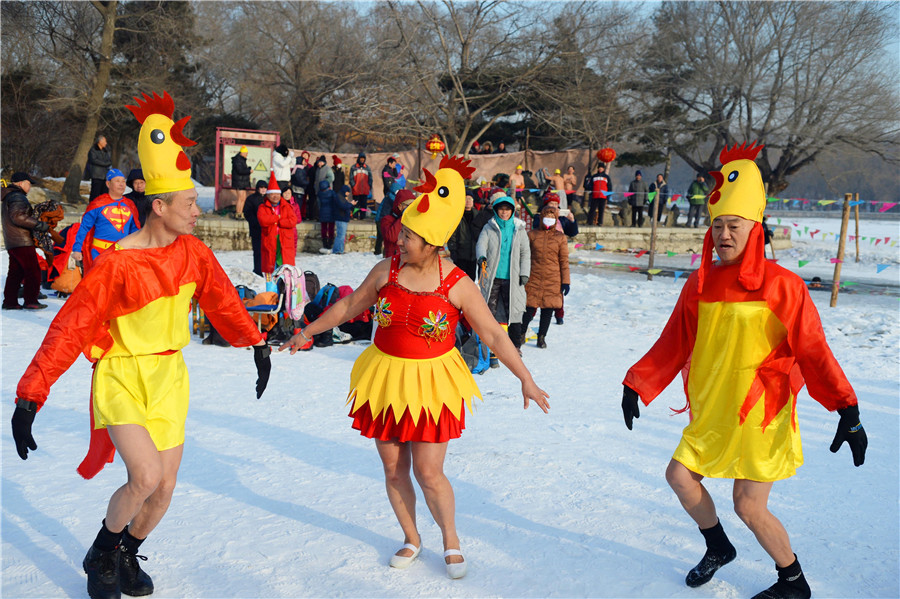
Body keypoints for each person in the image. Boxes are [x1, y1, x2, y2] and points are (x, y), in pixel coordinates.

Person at [10, 90, 272, 599]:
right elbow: (69, 328)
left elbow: (224, 305)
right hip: (122, 375)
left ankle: (127, 549)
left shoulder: (194, 253)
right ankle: (103, 552)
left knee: (165, 490)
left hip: (170, 377)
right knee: (146, 475)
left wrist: (256, 344)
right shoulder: (117, 264)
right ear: (159, 206)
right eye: (189, 203)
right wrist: (29, 396)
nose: (197, 212)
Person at [280, 155, 549, 579]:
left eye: (408, 236)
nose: (399, 242)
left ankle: (451, 540)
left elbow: (495, 336)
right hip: (384, 379)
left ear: (432, 242)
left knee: (428, 471)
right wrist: (307, 330)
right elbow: (350, 304)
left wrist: (527, 380)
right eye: (401, 233)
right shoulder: (385, 270)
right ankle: (411, 536)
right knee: (392, 468)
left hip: (431, 384)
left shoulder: (457, 283)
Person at [621, 142, 867, 599]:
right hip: (714, 409)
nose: (723, 235)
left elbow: (814, 352)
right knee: (679, 477)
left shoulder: (784, 286)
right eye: (717, 226)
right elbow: (675, 339)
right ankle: (718, 546)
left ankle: (792, 581)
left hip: (761, 412)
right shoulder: (700, 283)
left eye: (733, 225)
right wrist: (637, 383)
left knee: (748, 506)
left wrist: (846, 408)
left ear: (754, 228)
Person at [475, 196, 531, 356]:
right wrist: (481, 257)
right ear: (496, 210)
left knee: (514, 311)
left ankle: (514, 346)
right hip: (492, 276)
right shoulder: (489, 227)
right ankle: (489, 345)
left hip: (513, 278)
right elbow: (481, 244)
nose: (504, 212)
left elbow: (525, 252)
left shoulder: (519, 229)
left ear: (512, 211)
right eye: (501, 209)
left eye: (507, 209)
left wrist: (525, 272)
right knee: (488, 311)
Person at [71, 169, 141, 272]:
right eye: (117, 181)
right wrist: (77, 249)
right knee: (100, 284)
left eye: (123, 181)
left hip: (122, 253)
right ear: (108, 184)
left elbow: (135, 230)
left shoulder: (130, 205)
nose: (121, 184)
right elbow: (84, 228)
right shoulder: (98, 204)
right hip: (100, 253)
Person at [522, 203, 570, 348]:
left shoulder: (560, 238)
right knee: (529, 308)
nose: (549, 220)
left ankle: (541, 337)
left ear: (556, 220)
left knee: (547, 310)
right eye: (547, 217)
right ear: (542, 218)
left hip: (553, 279)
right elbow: (524, 256)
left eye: (552, 217)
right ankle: (521, 334)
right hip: (534, 276)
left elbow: (564, 261)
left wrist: (566, 282)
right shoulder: (532, 235)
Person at [2, 172, 50, 310]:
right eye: (28, 184)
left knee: (15, 272)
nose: (29, 187)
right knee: (33, 271)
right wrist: (39, 225)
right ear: (21, 183)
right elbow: (18, 217)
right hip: (21, 241)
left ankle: (10, 302)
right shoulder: (18, 197)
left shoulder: (9, 196)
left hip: (12, 241)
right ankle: (31, 300)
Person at [258, 171, 298, 273]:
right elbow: (263, 220)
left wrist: (280, 221)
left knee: (286, 269)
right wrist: (277, 217)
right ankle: (271, 288)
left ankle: (284, 287)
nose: (275, 196)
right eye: (272, 194)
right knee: (270, 268)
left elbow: (293, 221)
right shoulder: (263, 207)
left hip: (285, 240)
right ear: (268, 195)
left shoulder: (287, 206)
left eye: (277, 194)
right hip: (270, 240)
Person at [447, 194, 478, 280]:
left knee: (471, 280)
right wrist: (453, 250)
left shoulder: (478, 215)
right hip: (460, 254)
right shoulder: (457, 215)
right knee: (459, 279)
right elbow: (452, 234)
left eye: (470, 199)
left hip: (473, 254)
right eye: (465, 199)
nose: (468, 201)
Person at [243, 179, 268, 276]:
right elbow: (247, 212)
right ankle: (257, 270)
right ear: (257, 188)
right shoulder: (251, 199)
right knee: (257, 251)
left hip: (267, 230)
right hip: (256, 229)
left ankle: (266, 269)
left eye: (265, 188)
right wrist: (256, 222)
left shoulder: (269, 198)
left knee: (268, 251)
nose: (263, 190)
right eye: (261, 188)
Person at [380, 188, 413, 258]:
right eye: (408, 205)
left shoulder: (412, 220)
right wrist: (404, 216)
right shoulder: (387, 219)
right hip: (393, 260)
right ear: (400, 206)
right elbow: (392, 237)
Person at [332, 183, 357, 254]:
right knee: (340, 236)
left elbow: (345, 205)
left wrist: (350, 204)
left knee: (342, 236)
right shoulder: (339, 197)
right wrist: (351, 204)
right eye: (347, 192)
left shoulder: (342, 197)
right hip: (341, 218)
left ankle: (340, 250)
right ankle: (337, 250)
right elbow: (343, 206)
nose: (348, 194)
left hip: (343, 218)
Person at [87, 135, 113, 200]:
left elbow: (109, 161)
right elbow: (94, 160)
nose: (106, 143)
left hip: (105, 176)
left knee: (104, 194)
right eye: (105, 141)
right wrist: (105, 164)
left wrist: (106, 163)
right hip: (97, 176)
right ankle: (92, 207)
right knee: (95, 193)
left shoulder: (105, 151)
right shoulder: (93, 150)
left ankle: (103, 207)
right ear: (100, 141)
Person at [349, 152, 373, 220]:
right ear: (358, 159)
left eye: (363, 159)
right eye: (361, 158)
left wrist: (369, 186)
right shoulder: (353, 167)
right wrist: (354, 186)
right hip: (356, 189)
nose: (362, 160)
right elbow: (351, 178)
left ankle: (363, 216)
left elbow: (370, 178)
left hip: (364, 190)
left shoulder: (367, 168)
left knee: (363, 204)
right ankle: (355, 216)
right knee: (356, 204)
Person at [230, 146, 252, 217]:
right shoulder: (238, 160)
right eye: (246, 153)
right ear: (242, 152)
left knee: (243, 198)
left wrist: (248, 169)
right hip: (239, 182)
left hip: (242, 182)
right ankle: (238, 212)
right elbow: (240, 171)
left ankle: (241, 212)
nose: (247, 154)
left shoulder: (241, 160)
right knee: (240, 198)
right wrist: (248, 171)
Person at [317, 180, 336, 252]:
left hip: (322, 212)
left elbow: (319, 204)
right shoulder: (332, 193)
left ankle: (325, 243)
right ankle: (330, 243)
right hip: (331, 212)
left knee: (324, 228)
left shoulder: (319, 194)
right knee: (331, 228)